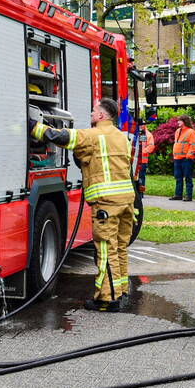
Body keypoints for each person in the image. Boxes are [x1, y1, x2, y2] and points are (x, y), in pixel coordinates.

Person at [31, 97, 135, 311]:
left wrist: (33, 126)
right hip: (126, 201)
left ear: (100, 115)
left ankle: (108, 299)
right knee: (120, 248)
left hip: (106, 203)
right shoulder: (122, 137)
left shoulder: (93, 135)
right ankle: (121, 290)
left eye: (92, 111)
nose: (90, 115)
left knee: (106, 250)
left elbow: (58, 136)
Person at [170, 115, 195, 201]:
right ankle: (178, 195)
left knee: (188, 178)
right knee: (178, 178)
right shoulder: (178, 131)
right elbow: (177, 143)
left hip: (186, 159)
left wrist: (189, 156)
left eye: (180, 121)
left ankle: (188, 196)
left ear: (184, 121)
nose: (178, 122)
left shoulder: (191, 132)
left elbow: (193, 145)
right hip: (177, 158)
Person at [137, 126, 155, 193]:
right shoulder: (136, 133)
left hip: (142, 160)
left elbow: (151, 146)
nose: (141, 126)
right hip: (134, 160)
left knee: (141, 177)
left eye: (142, 125)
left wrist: (141, 152)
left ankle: (141, 192)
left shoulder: (148, 135)